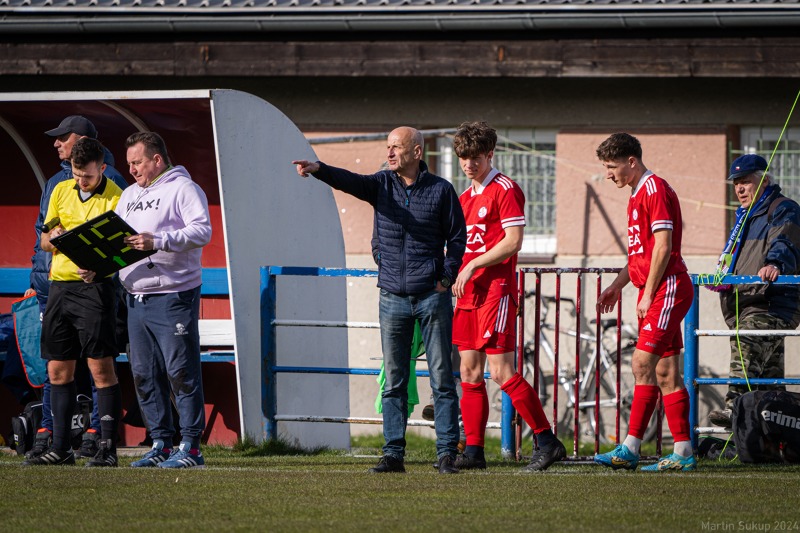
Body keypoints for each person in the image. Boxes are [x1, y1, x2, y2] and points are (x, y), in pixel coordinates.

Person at [293, 126, 467, 474]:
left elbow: (457, 238)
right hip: (392, 297)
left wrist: (446, 278)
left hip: (432, 297)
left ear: (417, 152)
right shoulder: (381, 184)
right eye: (388, 146)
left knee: (442, 379)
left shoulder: (441, 190)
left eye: (396, 147)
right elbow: (350, 181)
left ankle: (447, 453)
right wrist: (319, 170)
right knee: (394, 381)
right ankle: (393, 455)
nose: (389, 152)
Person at [448, 121, 565, 472]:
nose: (469, 164)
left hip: (495, 291)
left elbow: (513, 242)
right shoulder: (464, 198)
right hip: (467, 293)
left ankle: (547, 441)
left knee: (501, 372)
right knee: (469, 371)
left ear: (490, 154)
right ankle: (474, 451)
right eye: (463, 158)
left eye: (475, 157)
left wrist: (473, 265)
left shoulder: (506, 189)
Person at [24, 116, 128, 462]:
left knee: (101, 368)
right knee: (57, 370)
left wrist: (101, 267)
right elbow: (43, 240)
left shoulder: (116, 195)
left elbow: (124, 249)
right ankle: (60, 448)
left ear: (102, 168)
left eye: (87, 176)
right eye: (76, 174)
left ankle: (107, 447)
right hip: (59, 288)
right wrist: (52, 238)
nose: (81, 181)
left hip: (96, 290)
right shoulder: (60, 189)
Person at [592, 133, 697, 472]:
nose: (608, 174)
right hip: (657, 288)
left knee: (640, 363)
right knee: (665, 372)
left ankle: (630, 448)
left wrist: (649, 293)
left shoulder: (655, 189)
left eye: (612, 166)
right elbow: (642, 254)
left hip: (667, 287)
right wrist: (617, 286)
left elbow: (664, 247)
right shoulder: (637, 193)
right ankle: (683, 452)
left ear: (631, 161)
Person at [119, 132, 212, 469]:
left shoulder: (184, 188)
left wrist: (157, 240)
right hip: (135, 298)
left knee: (180, 371)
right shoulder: (128, 195)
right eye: (129, 163)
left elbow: (202, 231)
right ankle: (160, 442)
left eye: (137, 162)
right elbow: (118, 241)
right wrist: (96, 265)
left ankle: (191, 446)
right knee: (144, 373)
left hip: (173, 294)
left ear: (157, 159)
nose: (132, 170)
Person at [707, 154, 800, 428]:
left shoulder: (782, 208)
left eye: (745, 182)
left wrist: (775, 263)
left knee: (746, 339)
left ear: (764, 181)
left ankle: (734, 406)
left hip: (770, 304)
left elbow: (785, 240)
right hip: (746, 304)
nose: (739, 189)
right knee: (769, 383)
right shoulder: (744, 217)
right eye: (736, 183)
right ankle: (773, 433)